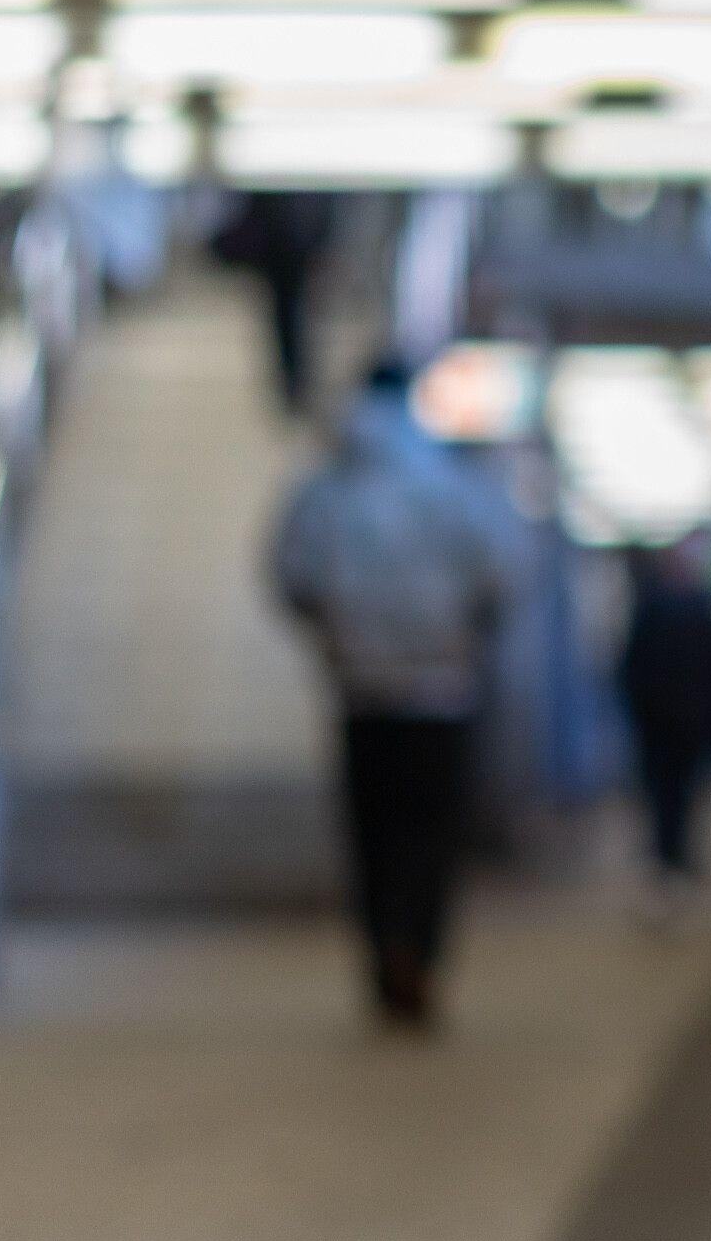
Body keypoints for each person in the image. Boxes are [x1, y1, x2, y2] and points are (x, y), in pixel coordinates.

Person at [270, 357, 521, 1029]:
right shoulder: (456, 483)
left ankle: (384, 953)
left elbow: (292, 574)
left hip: (360, 690)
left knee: (372, 832)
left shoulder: (326, 486)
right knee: (431, 833)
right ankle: (425, 955)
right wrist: (465, 635)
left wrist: (336, 636)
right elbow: (500, 574)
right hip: (443, 687)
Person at [612, 536, 711, 905]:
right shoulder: (696, 610)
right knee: (675, 794)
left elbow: (630, 670)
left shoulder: (662, 609)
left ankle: (671, 860)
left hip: (670, 724)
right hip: (674, 724)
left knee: (671, 795)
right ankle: (672, 860)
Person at [207, 191, 338, 419]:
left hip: (296, 226)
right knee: (287, 307)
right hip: (283, 228)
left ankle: (297, 387)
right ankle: (295, 387)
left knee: (292, 308)